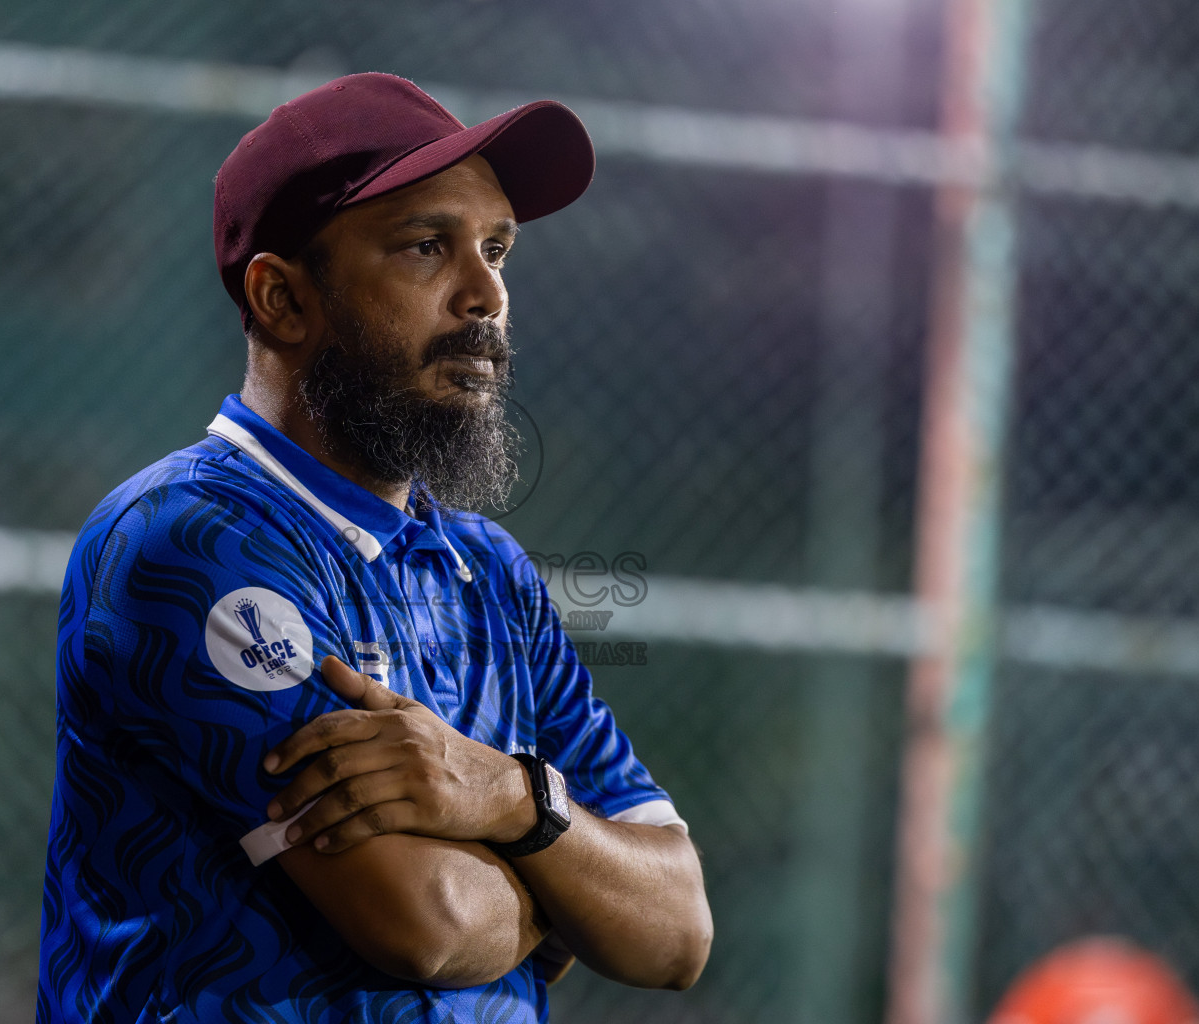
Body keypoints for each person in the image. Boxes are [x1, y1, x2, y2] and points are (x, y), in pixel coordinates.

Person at [36, 72, 713, 1024]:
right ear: (281, 298)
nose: (484, 294)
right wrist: (565, 900)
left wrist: (511, 800)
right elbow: (424, 924)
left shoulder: (490, 574)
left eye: (497, 250)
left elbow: (677, 930)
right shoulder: (185, 541)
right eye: (427, 247)